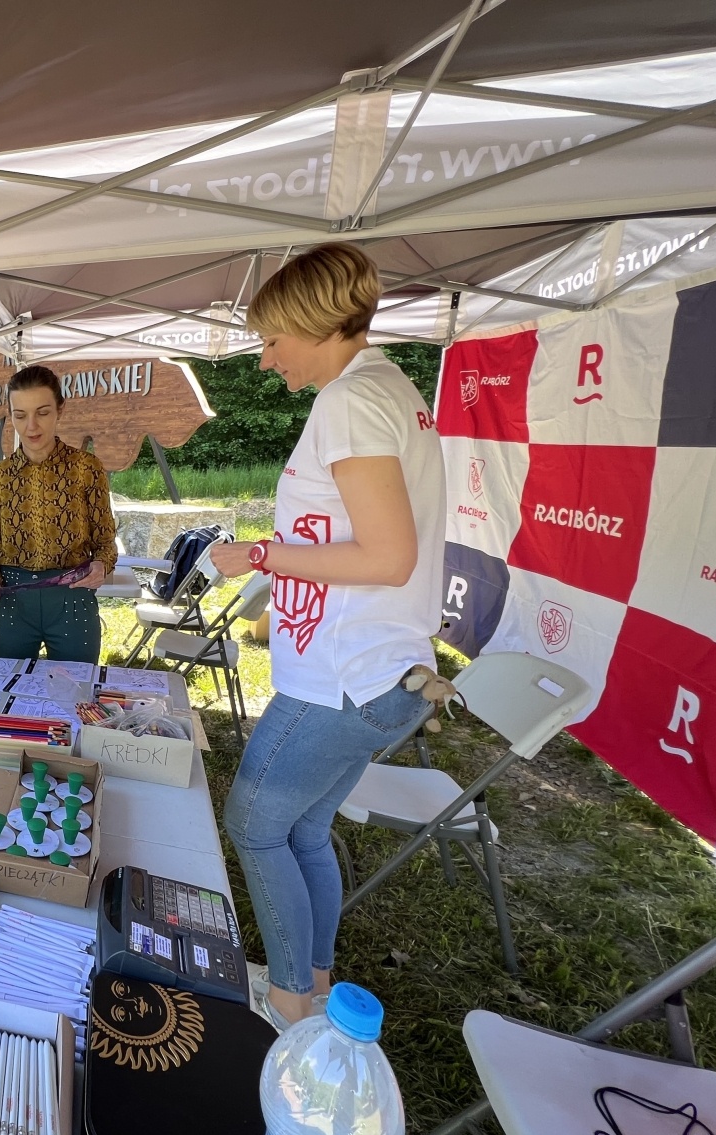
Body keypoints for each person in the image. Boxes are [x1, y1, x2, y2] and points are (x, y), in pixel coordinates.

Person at [207, 244, 445, 1031]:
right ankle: (310, 980)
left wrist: (260, 557)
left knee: (251, 822)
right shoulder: (383, 388)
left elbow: (386, 554)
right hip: (382, 673)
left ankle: (284, 1003)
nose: (268, 360)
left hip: (346, 675)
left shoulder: (351, 400)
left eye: (274, 340)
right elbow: (362, 538)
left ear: (313, 324)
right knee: (304, 826)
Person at [0, 365, 117, 664]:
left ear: (59, 410)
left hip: (72, 598)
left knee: (76, 697)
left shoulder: (86, 468)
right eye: (20, 415)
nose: (31, 426)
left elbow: (105, 541)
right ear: (10, 415)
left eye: (42, 412)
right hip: (12, 599)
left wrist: (102, 566)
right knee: (12, 694)